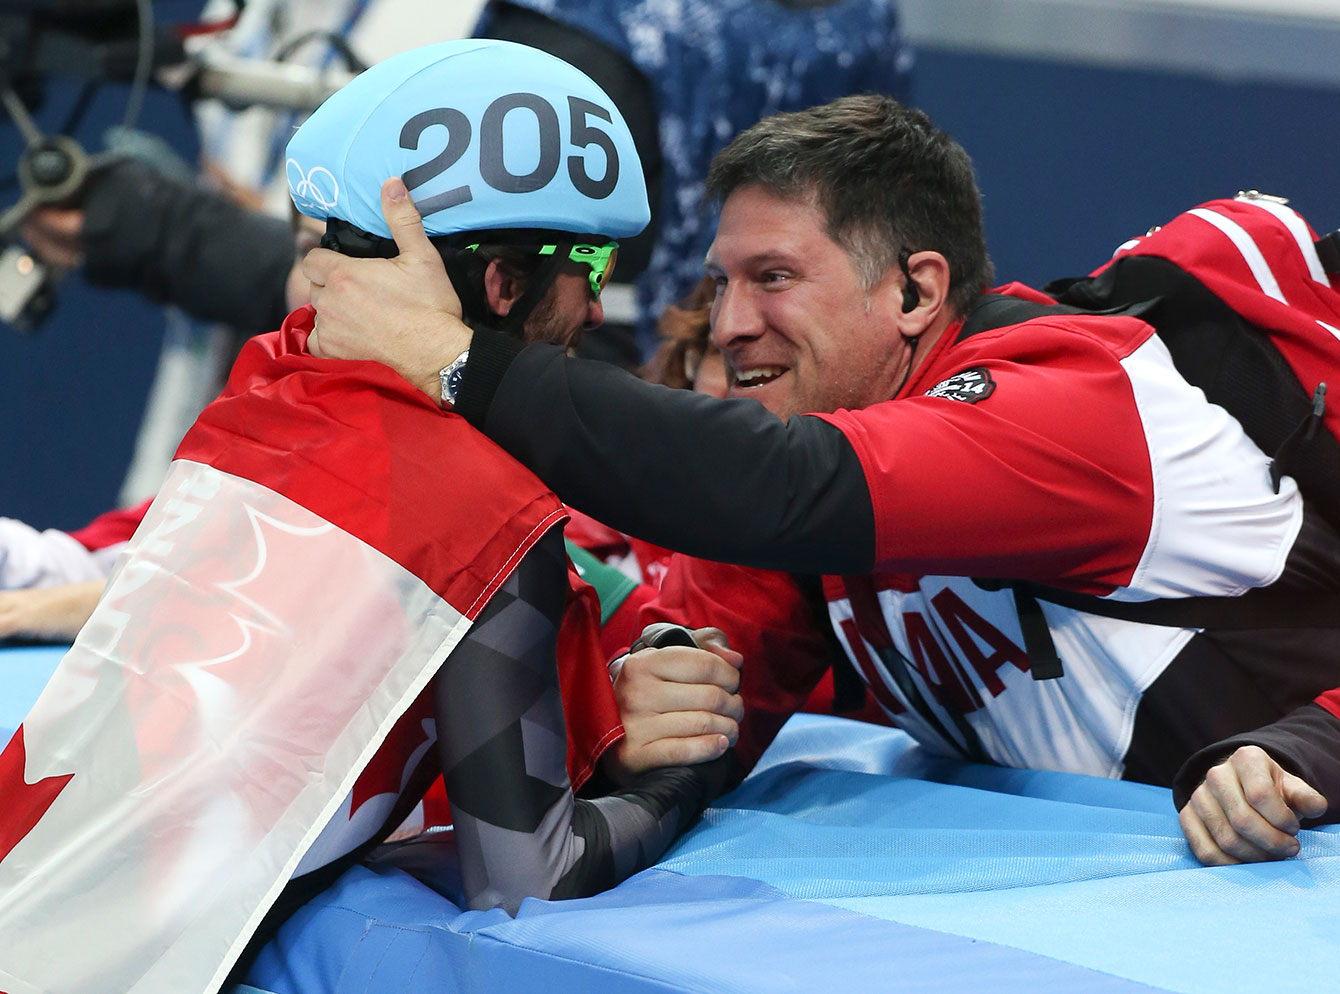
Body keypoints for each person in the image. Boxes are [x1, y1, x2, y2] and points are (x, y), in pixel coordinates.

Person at [304, 93, 1340, 869]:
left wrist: (452, 356)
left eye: (774, 278)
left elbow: (783, 488)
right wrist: (657, 692)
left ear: (912, 290)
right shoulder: (824, 458)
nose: (729, 325)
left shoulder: (1072, 404)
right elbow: (714, 665)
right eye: (720, 283)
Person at [0, 40, 746, 994]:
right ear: (505, 286)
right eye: (589, 260)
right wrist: (687, 778)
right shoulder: (487, 510)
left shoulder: (267, 388)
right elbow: (529, 879)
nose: (600, 305)